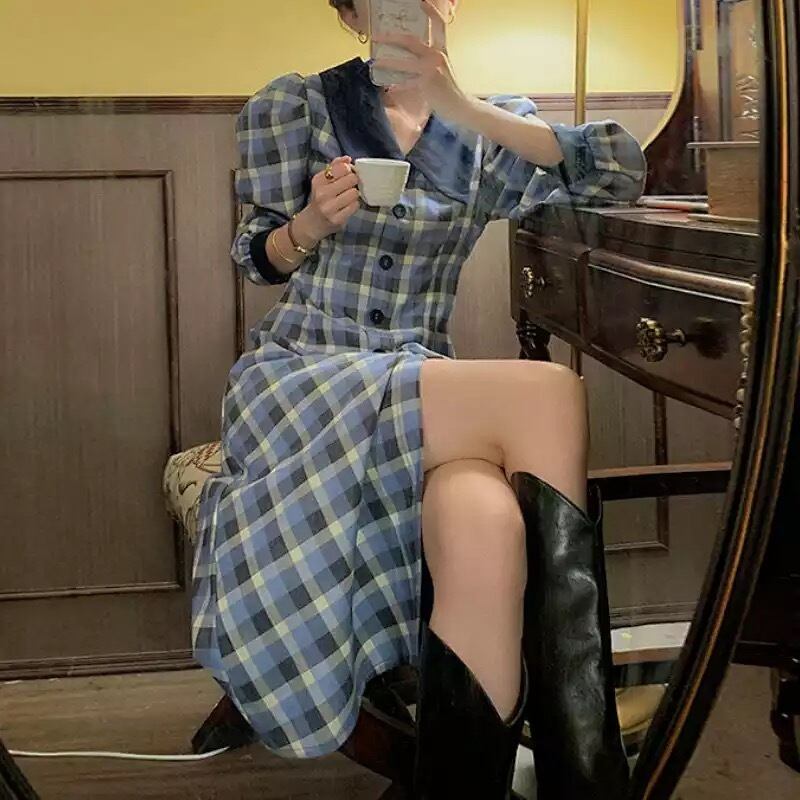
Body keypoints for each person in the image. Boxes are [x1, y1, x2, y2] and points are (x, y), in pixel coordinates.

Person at [192, 0, 646, 796]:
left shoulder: (489, 130)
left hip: (420, 388)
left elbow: (621, 170)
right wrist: (308, 224)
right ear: (354, 11)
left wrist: (461, 105)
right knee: (547, 394)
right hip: (305, 379)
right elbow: (257, 259)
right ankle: (588, 781)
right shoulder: (297, 105)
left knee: (485, 522)